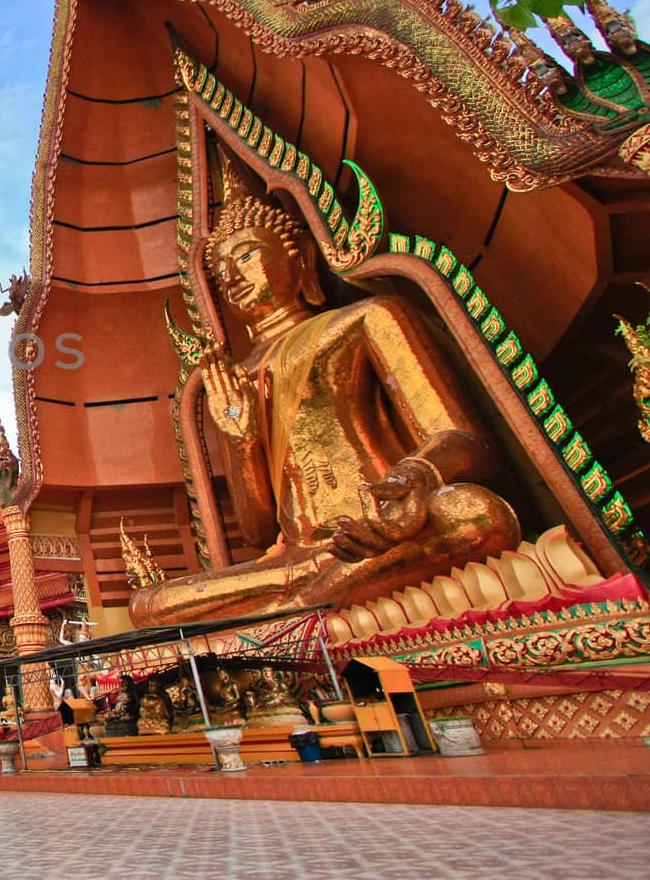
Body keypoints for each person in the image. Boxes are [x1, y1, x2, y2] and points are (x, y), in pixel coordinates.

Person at [131, 187, 519, 625]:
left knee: (473, 512)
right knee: (149, 606)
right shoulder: (233, 382)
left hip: (393, 528)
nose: (233, 279)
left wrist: (411, 478)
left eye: (245, 256)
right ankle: (320, 595)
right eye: (220, 275)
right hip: (300, 560)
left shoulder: (365, 318)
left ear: (301, 259)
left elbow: (466, 441)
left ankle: (301, 611)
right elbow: (258, 533)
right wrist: (242, 442)